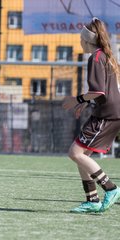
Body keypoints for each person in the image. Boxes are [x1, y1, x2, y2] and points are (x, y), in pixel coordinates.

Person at [63, 17, 120, 213]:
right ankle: (92, 200)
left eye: (81, 39)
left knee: (75, 153)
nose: (80, 42)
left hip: (106, 115)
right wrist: (86, 102)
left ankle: (110, 188)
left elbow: (99, 92)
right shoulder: (104, 55)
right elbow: (101, 91)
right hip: (107, 112)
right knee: (82, 154)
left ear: (88, 40)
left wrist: (78, 100)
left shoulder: (95, 57)